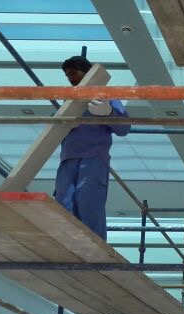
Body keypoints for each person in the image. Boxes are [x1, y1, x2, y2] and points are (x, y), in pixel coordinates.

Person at [54, 55, 129, 240]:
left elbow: (124, 128)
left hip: (93, 159)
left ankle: (96, 249)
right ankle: (68, 247)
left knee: (89, 204)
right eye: (67, 75)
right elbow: (54, 132)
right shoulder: (69, 100)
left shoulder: (105, 96)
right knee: (64, 207)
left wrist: (109, 113)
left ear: (85, 72)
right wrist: (59, 123)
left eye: (73, 73)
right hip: (68, 159)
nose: (70, 78)